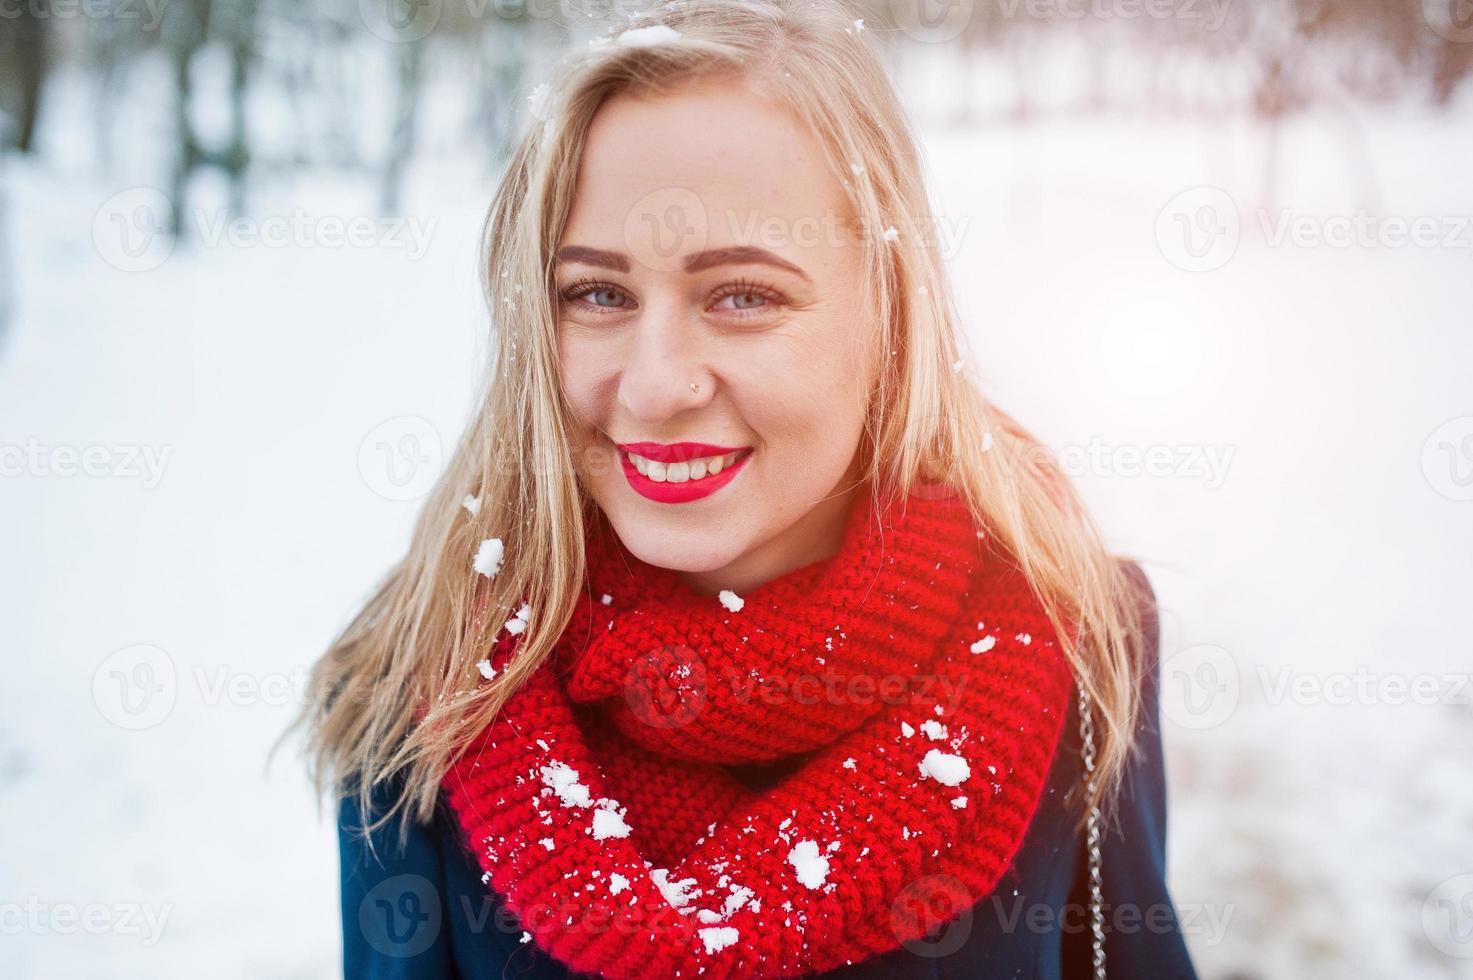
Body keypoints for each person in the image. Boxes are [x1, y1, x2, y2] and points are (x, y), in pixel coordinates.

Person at [292, 2, 1202, 977]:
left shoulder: (1073, 633)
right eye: (598, 294)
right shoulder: (427, 681)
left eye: (743, 295)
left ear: (889, 308)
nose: (655, 382)